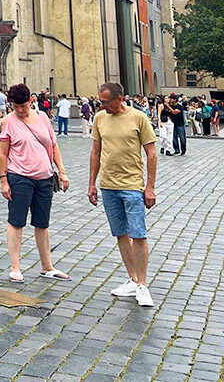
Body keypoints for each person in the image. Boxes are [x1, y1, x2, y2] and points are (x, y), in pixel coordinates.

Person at [88, 81, 158, 308]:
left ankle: (143, 285)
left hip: (132, 185)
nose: (102, 105)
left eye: (105, 102)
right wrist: (92, 184)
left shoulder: (138, 118)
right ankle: (133, 279)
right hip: (108, 185)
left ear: (120, 99)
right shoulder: (99, 118)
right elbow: (95, 152)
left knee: (138, 234)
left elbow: (151, 154)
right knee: (120, 233)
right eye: (100, 101)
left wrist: (150, 187)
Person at [0, 83, 69, 283]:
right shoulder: (7, 122)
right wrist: (4, 181)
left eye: (23, 106)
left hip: (44, 178)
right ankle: (15, 267)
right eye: (15, 106)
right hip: (20, 178)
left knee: (42, 222)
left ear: (31, 101)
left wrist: (62, 172)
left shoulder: (43, 117)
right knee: (16, 221)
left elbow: (53, 145)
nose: (20, 110)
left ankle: (47, 266)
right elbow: (2, 153)